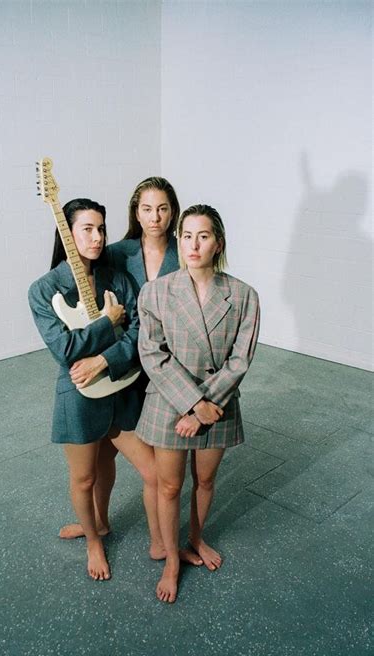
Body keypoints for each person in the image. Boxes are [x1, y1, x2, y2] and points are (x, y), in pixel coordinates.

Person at [28, 198, 165, 581]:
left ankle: (136, 534)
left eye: (101, 228)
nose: (98, 236)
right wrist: (107, 322)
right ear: (67, 235)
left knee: (148, 471)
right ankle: (94, 538)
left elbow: (139, 332)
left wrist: (104, 358)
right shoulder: (42, 290)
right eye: (87, 229)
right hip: (80, 394)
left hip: (121, 388)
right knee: (85, 477)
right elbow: (66, 350)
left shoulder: (116, 278)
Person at [136, 204, 260, 603]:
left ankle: (195, 538)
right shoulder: (155, 291)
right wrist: (194, 405)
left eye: (203, 236)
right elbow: (152, 354)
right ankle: (172, 560)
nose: (193, 244)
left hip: (219, 403)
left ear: (217, 243)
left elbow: (241, 358)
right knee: (169, 487)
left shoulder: (243, 295)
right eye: (186, 235)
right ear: (178, 240)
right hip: (170, 403)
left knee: (205, 481)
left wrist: (208, 405)